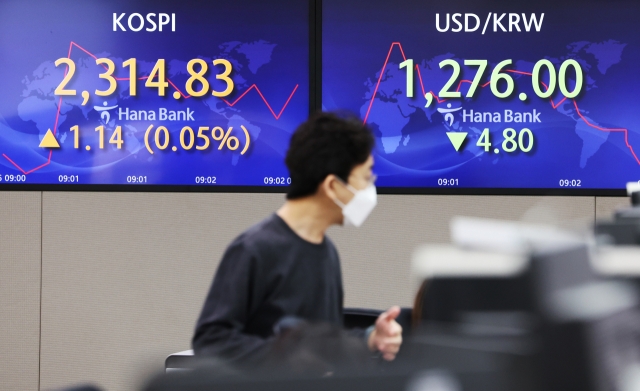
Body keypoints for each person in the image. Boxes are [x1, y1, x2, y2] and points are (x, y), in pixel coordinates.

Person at [192, 112, 403, 368]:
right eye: (367, 176)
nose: (371, 187)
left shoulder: (327, 251)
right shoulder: (255, 248)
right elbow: (211, 340)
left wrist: (371, 338)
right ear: (332, 186)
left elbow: (323, 346)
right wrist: (291, 359)